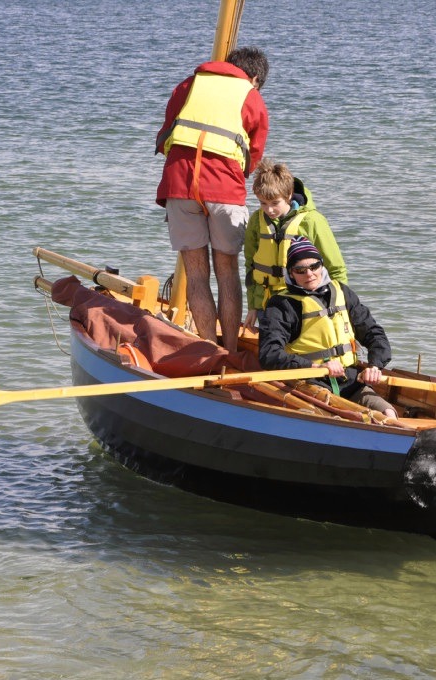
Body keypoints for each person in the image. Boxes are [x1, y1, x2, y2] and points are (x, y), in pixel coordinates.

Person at [154, 46, 270, 353]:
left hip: (179, 184)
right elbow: (254, 154)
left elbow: (167, 131)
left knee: (196, 273)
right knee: (227, 271)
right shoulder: (251, 96)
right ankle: (230, 351)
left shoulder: (188, 85)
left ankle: (208, 349)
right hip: (224, 188)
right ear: (254, 77)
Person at [259, 236, 396, 418]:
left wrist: (375, 366)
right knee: (338, 417)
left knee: (387, 413)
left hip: (350, 380)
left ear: (322, 266)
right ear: (290, 273)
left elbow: (374, 334)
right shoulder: (281, 305)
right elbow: (269, 353)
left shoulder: (342, 292)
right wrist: (313, 366)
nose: (309, 274)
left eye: (314, 266)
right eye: (300, 270)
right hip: (309, 381)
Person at [242, 158, 347, 332]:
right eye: (263, 203)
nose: (269, 210)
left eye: (275, 203)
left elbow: (336, 268)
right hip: (266, 305)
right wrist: (253, 306)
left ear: (289, 195)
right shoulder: (256, 220)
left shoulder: (312, 221)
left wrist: (341, 308)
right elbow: (250, 266)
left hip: (304, 304)